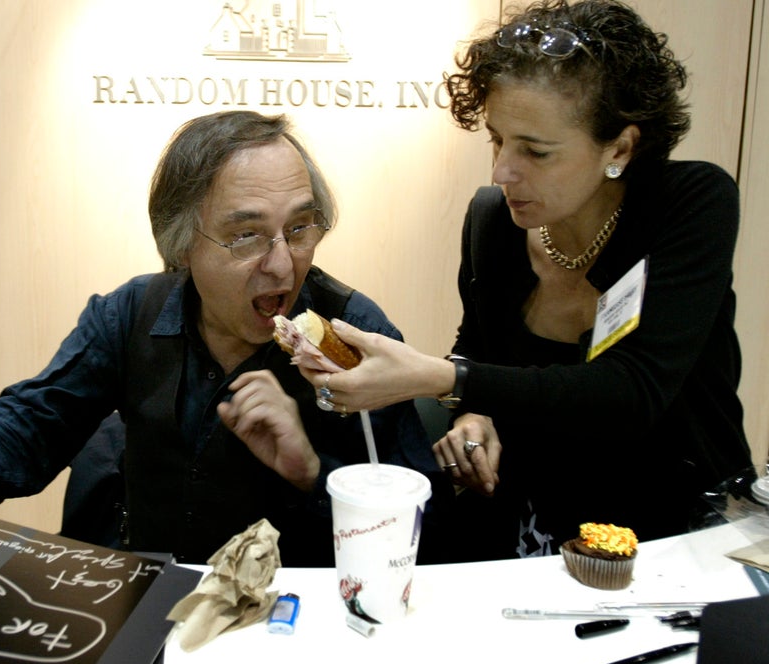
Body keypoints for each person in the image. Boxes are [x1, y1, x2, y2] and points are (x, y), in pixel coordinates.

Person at [0, 110, 453, 567]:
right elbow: (16, 441)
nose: (284, 262)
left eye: (300, 227)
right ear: (181, 247)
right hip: (152, 609)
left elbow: (417, 534)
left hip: (294, 624)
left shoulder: (358, 336)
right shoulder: (130, 317)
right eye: (245, 236)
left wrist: (305, 477)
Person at [297, 0, 754, 560]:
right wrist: (471, 412)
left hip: (680, 529)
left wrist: (442, 379)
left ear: (620, 147)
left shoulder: (691, 203)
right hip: (539, 526)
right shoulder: (493, 222)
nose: (502, 172)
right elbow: (480, 348)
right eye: (497, 139)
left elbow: (633, 392)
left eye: (535, 151)